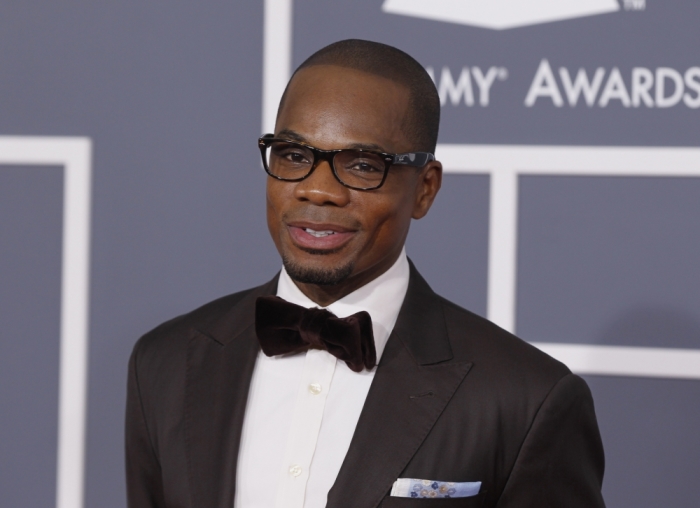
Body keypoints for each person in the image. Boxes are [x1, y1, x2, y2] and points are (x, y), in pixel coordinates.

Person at [125, 39, 605, 508]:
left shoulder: (524, 400)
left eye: (360, 165)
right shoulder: (165, 364)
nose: (317, 191)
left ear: (425, 189)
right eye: (294, 155)